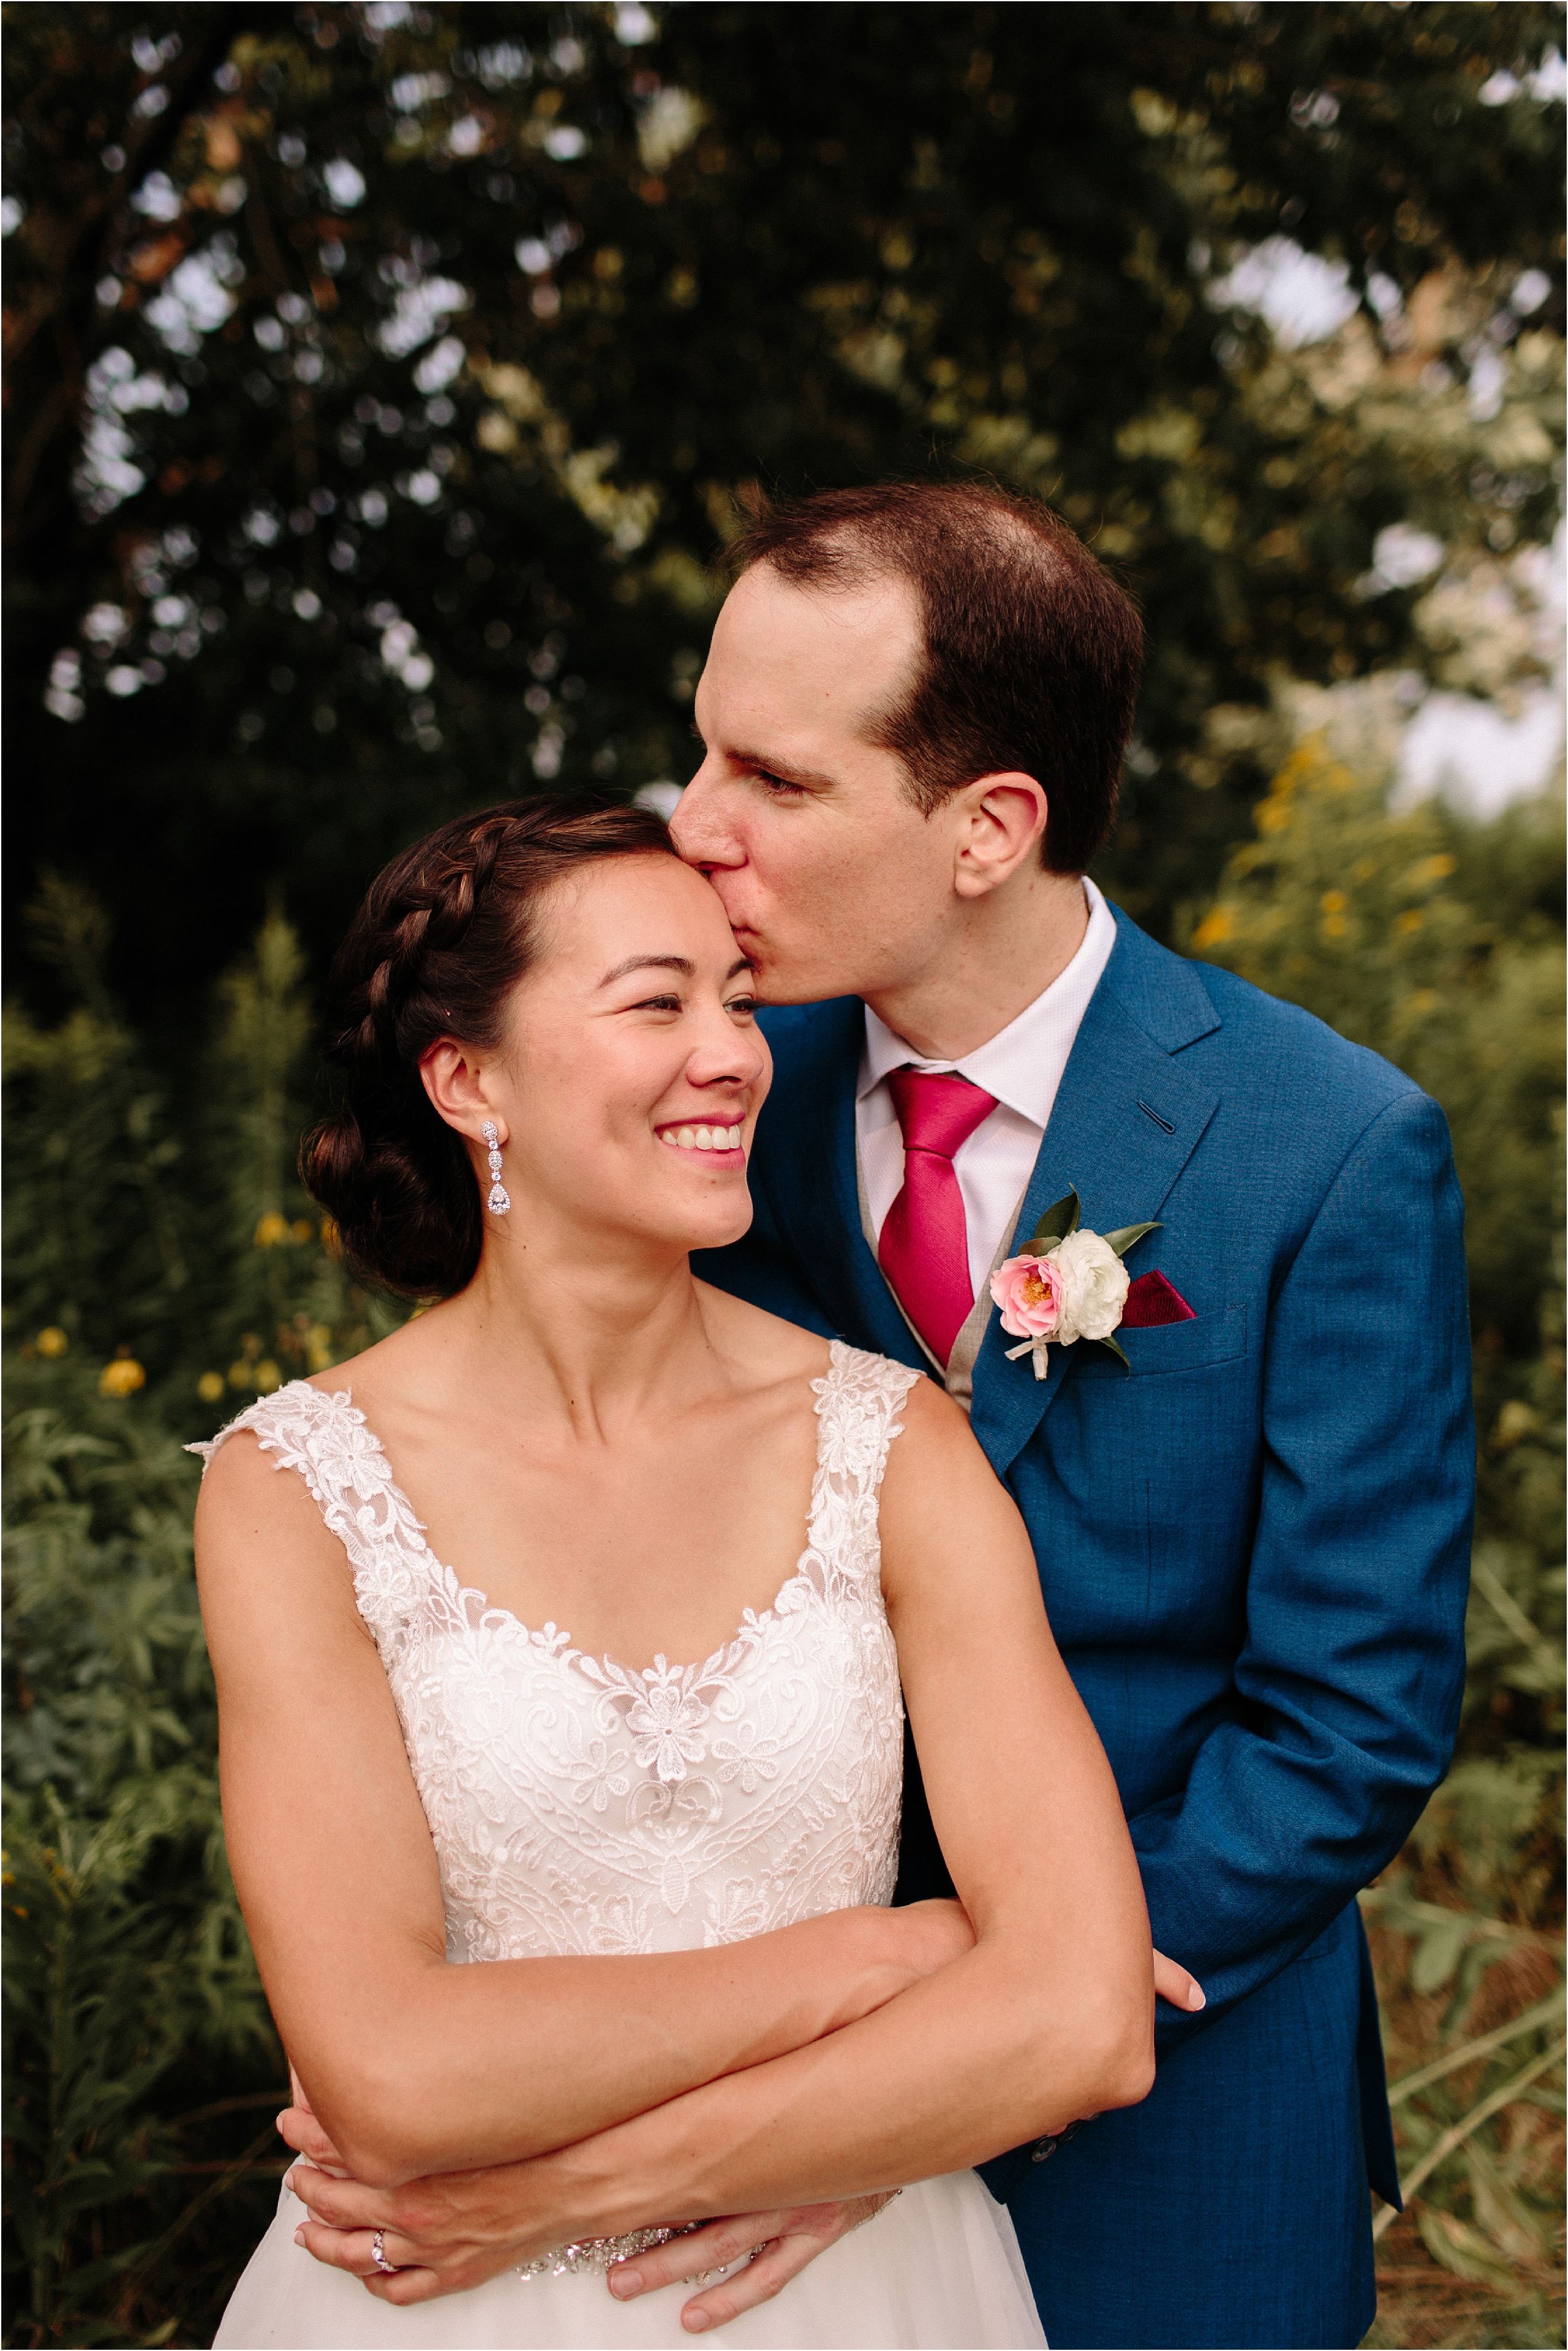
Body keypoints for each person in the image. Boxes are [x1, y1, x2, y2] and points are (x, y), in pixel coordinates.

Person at [277, 484, 1473, 2351]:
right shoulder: (692, 1094)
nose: (695, 822)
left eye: (777, 777)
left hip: (1166, 2080)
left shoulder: (1326, 1150)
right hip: (689, 2053)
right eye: (698, 745)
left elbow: (1346, 1720)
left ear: (989, 825)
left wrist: (936, 2054)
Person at [193, 795, 1199, 2350]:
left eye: (736, 996)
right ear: (469, 1081)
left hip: (861, 2292)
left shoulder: (891, 1447)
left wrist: (572, 2181)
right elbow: (388, 2074)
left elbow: (1079, 2020)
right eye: (655, 1000)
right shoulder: (297, 1486)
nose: (734, 1050)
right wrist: (897, 1948)